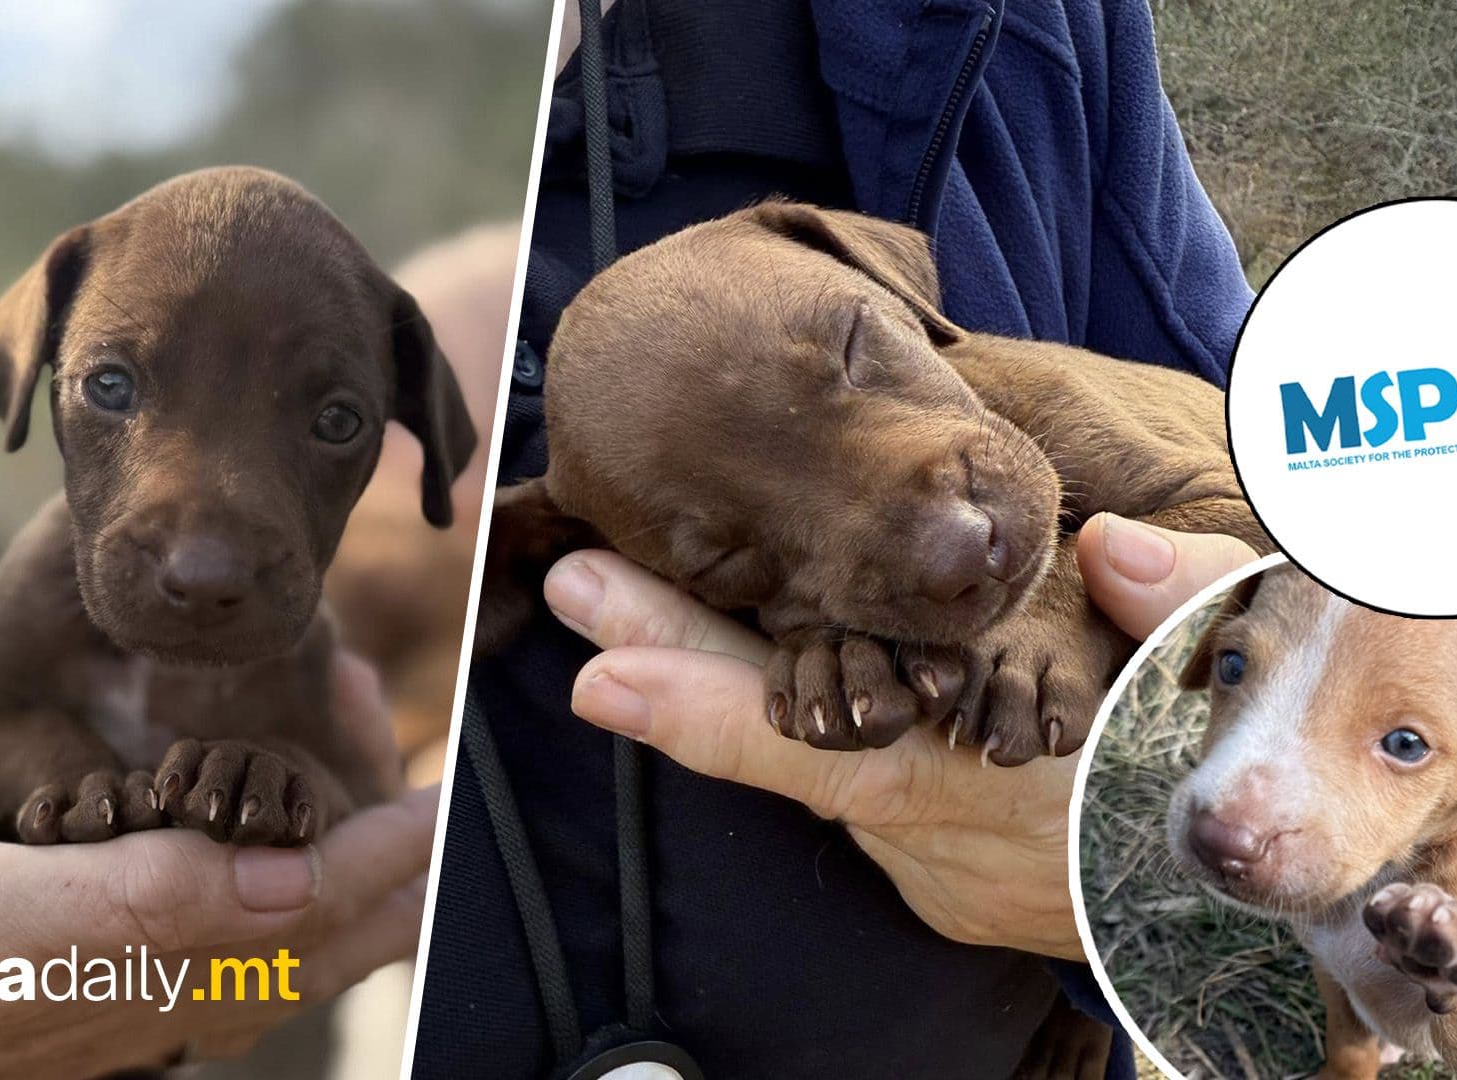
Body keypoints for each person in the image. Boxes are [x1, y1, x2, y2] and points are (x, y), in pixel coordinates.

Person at [412, 1, 1259, 1076]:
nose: (952, 542)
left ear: (883, 274)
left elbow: (1296, 532)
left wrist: (1126, 881)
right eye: (735, 559)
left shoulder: (1018, 39)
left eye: (861, 354)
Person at [0, 177, 438, 1077]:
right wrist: (57, 772)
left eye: (334, 421)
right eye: (111, 386)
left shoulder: (307, 649)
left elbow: (344, 795)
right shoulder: (40, 588)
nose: (203, 562)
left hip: (224, 1045)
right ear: (38, 380)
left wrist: (290, 783)